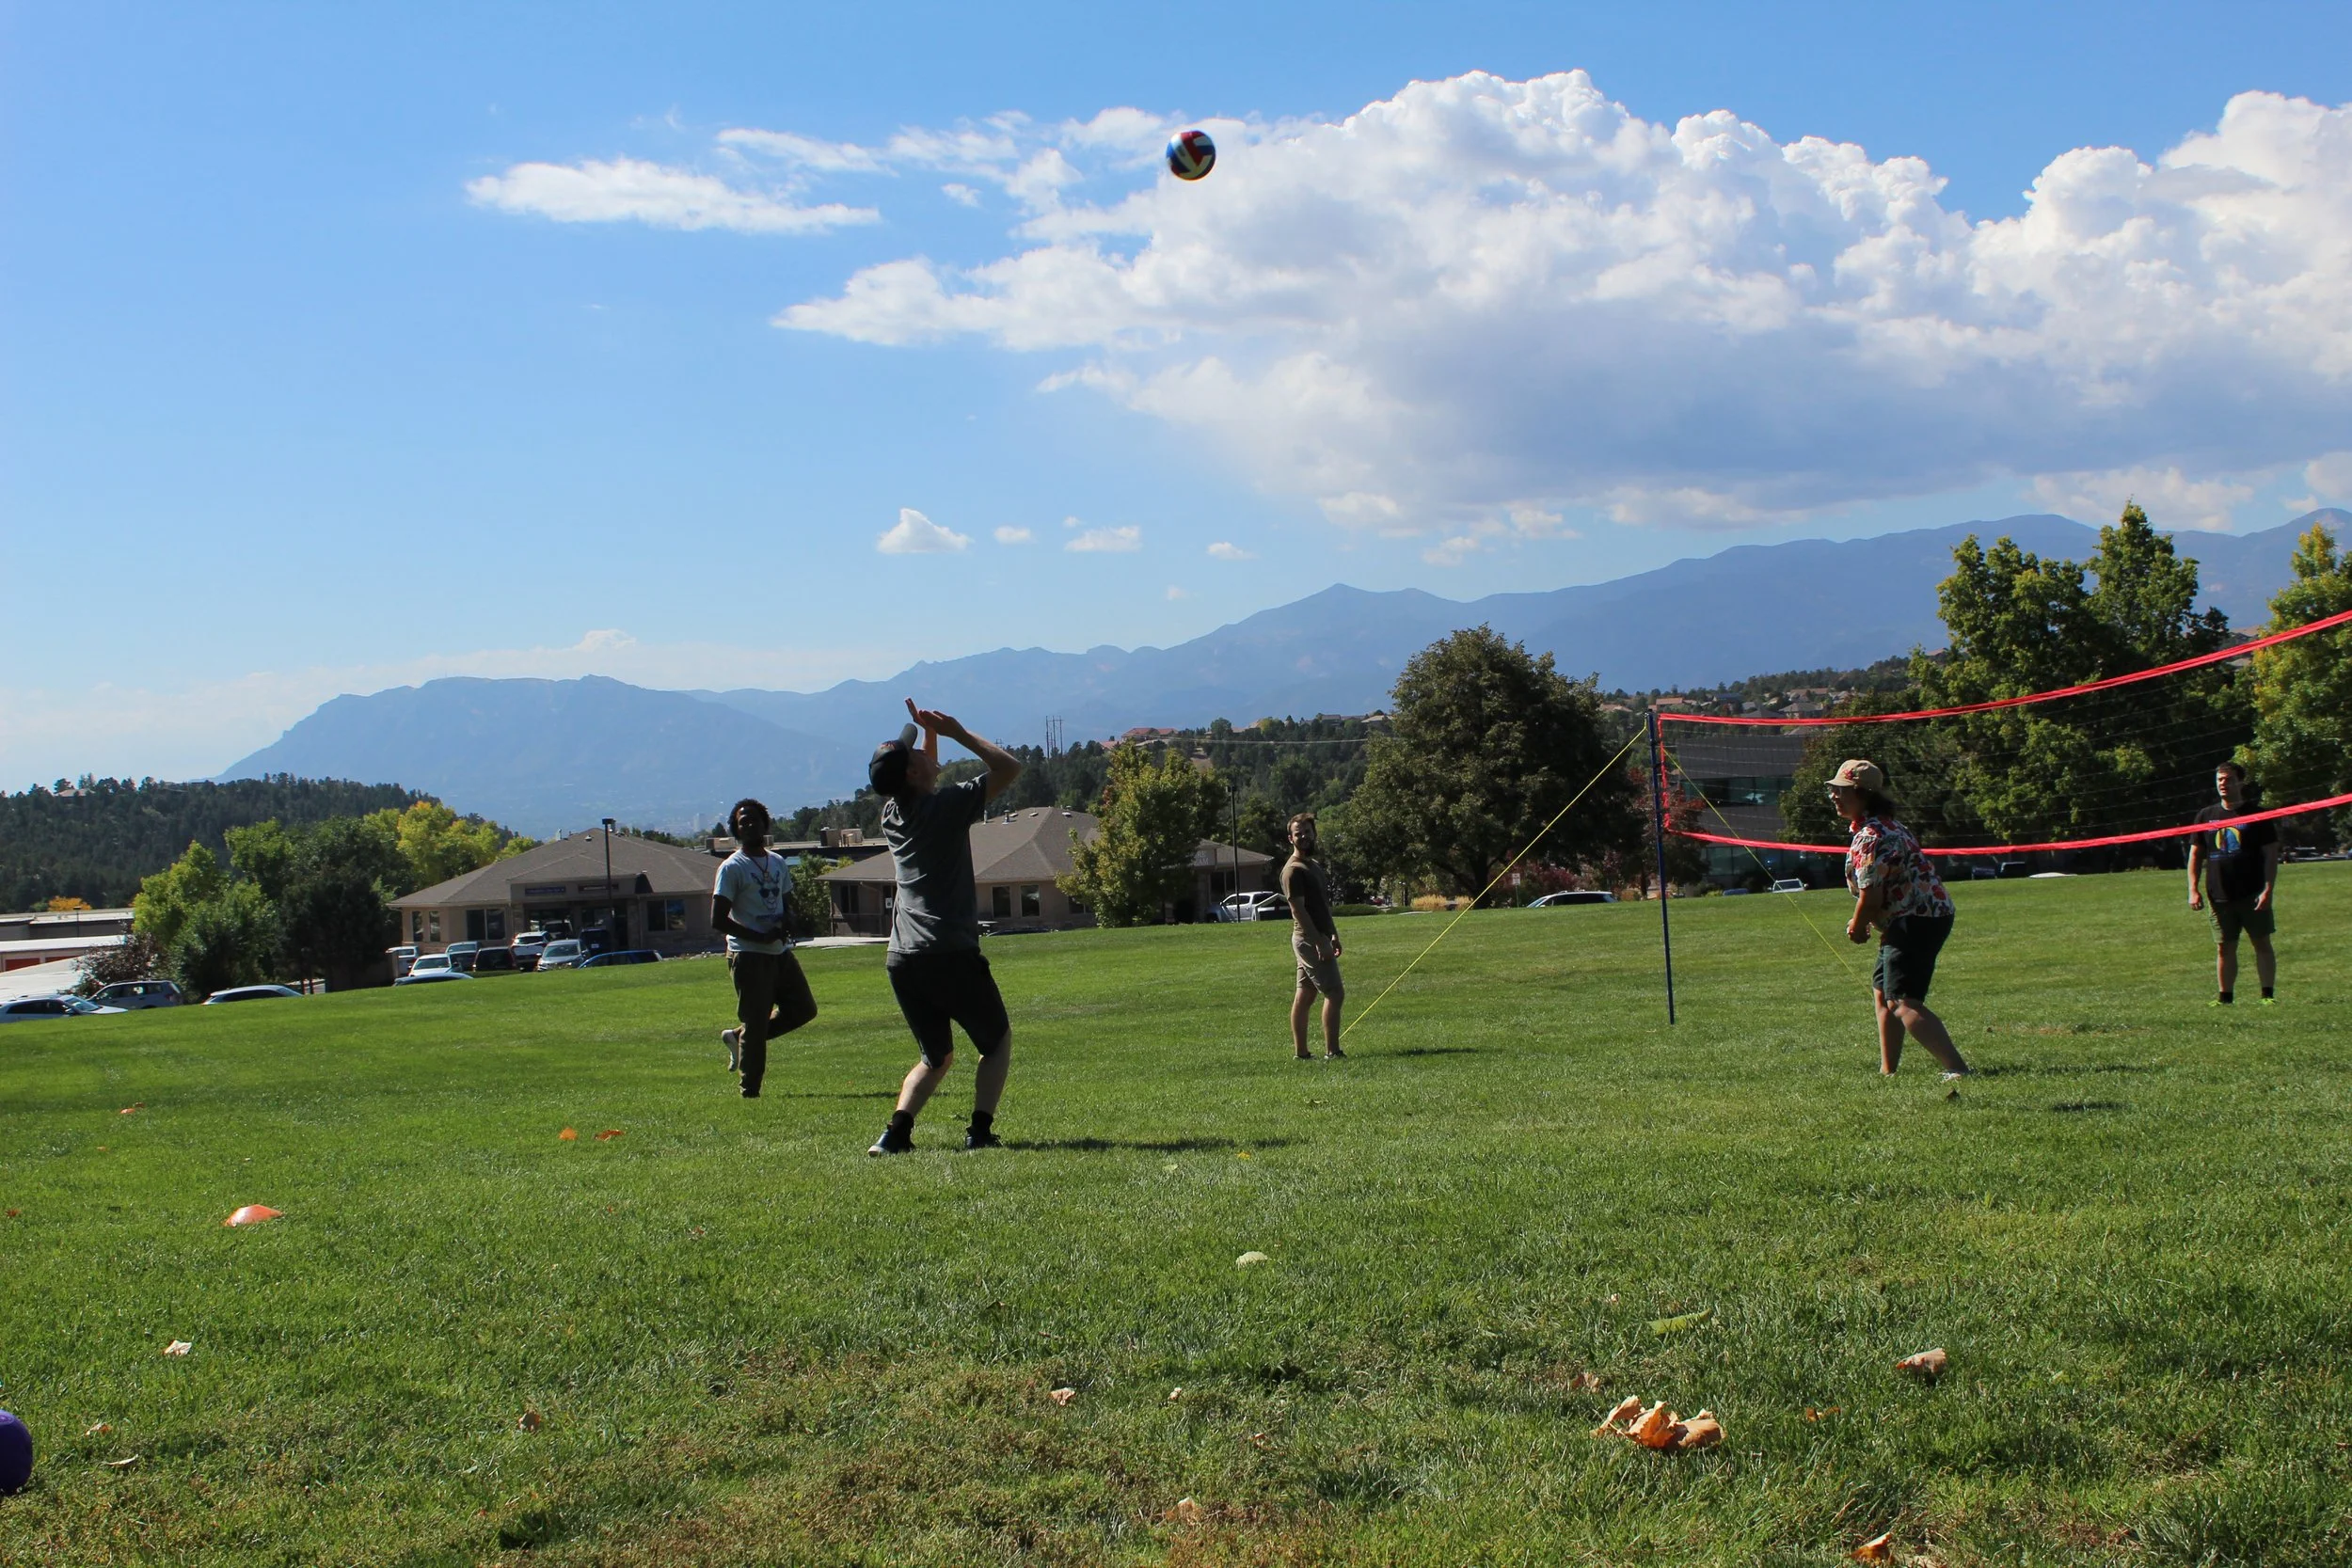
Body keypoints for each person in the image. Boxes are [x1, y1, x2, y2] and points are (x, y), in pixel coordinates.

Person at [865, 699, 1024, 1155]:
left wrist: (927, 736)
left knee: (936, 1057)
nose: (924, 755)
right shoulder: (948, 807)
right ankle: (979, 1132)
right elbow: (1009, 768)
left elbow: (923, 776)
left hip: (903, 958)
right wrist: (956, 730)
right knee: (996, 1042)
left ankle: (894, 1136)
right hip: (948, 952)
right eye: (916, 755)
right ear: (912, 774)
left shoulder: (892, 814)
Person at [1828, 759, 1970, 1079]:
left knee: (1903, 1001)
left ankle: (1957, 1068)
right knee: (1883, 992)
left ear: (1862, 794)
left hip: (1914, 919)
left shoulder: (1870, 836)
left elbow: (1871, 896)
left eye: (1841, 790)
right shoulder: (1891, 825)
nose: (1834, 796)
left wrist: (1857, 924)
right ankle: (1888, 1071)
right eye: (1833, 791)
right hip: (1925, 915)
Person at [711, 798, 818, 1099]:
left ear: (764, 824)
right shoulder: (732, 868)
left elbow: (787, 904)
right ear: (736, 829)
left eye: (754, 819)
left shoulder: (778, 862)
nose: (749, 824)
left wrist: (789, 923)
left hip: (779, 952)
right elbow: (718, 920)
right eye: (742, 821)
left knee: (804, 1010)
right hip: (748, 955)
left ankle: (740, 1038)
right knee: (756, 1022)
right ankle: (750, 1091)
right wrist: (757, 937)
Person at [2187, 761, 2280, 1006]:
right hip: (2218, 894)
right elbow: (2196, 855)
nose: (2222, 784)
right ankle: (2225, 998)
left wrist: (2268, 889)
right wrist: (2193, 890)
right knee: (2224, 947)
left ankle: (2267, 995)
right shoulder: (2205, 816)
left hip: (2252, 893)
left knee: (2261, 942)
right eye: (2219, 779)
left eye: (2227, 779)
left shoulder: (2258, 815)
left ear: (2241, 782)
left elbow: (2271, 855)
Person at [1280, 813, 1345, 1060]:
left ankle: (1302, 1054)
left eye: (1307, 832)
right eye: (1299, 833)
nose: (1304, 836)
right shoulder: (1293, 871)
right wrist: (1320, 943)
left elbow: (1322, 908)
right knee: (1335, 993)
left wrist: (1334, 936)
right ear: (1291, 838)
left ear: (1314, 834)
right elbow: (1299, 910)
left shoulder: (1314, 866)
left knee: (1306, 994)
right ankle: (1333, 1052)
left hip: (1319, 937)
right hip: (1309, 939)